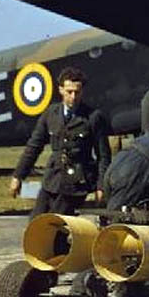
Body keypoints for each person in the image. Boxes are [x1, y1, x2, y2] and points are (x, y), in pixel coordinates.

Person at [10, 67, 111, 218]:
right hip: (52, 179)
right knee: (35, 223)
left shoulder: (93, 117)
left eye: (77, 92)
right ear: (61, 90)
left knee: (54, 225)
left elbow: (103, 156)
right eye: (69, 92)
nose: (73, 96)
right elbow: (34, 146)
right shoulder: (51, 114)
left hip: (77, 183)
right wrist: (18, 176)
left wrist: (101, 186)